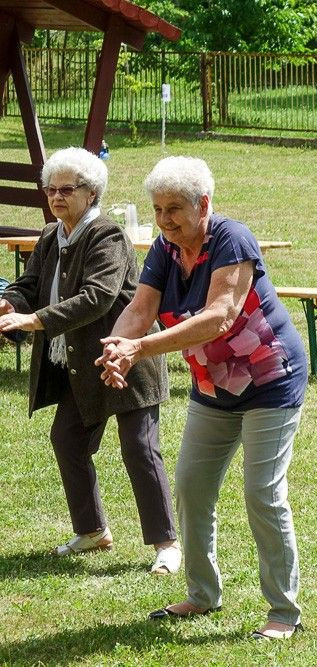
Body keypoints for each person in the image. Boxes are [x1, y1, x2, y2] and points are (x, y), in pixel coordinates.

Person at [97, 156, 308, 640]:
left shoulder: (233, 239)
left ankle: (283, 611)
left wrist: (141, 348)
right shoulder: (164, 249)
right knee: (191, 487)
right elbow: (140, 307)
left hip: (270, 380)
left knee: (262, 493)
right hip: (213, 384)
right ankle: (202, 594)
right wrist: (115, 347)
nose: (166, 219)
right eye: (158, 209)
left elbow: (220, 315)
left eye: (175, 208)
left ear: (204, 204)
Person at [0, 147, 179, 574]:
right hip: (82, 366)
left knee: (140, 448)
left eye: (67, 189)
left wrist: (35, 320)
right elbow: (29, 284)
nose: (56, 197)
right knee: (67, 441)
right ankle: (93, 530)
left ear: (92, 192)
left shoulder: (107, 236)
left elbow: (97, 298)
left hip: (125, 359)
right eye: (51, 189)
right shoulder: (50, 236)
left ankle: (166, 544)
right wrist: (9, 302)